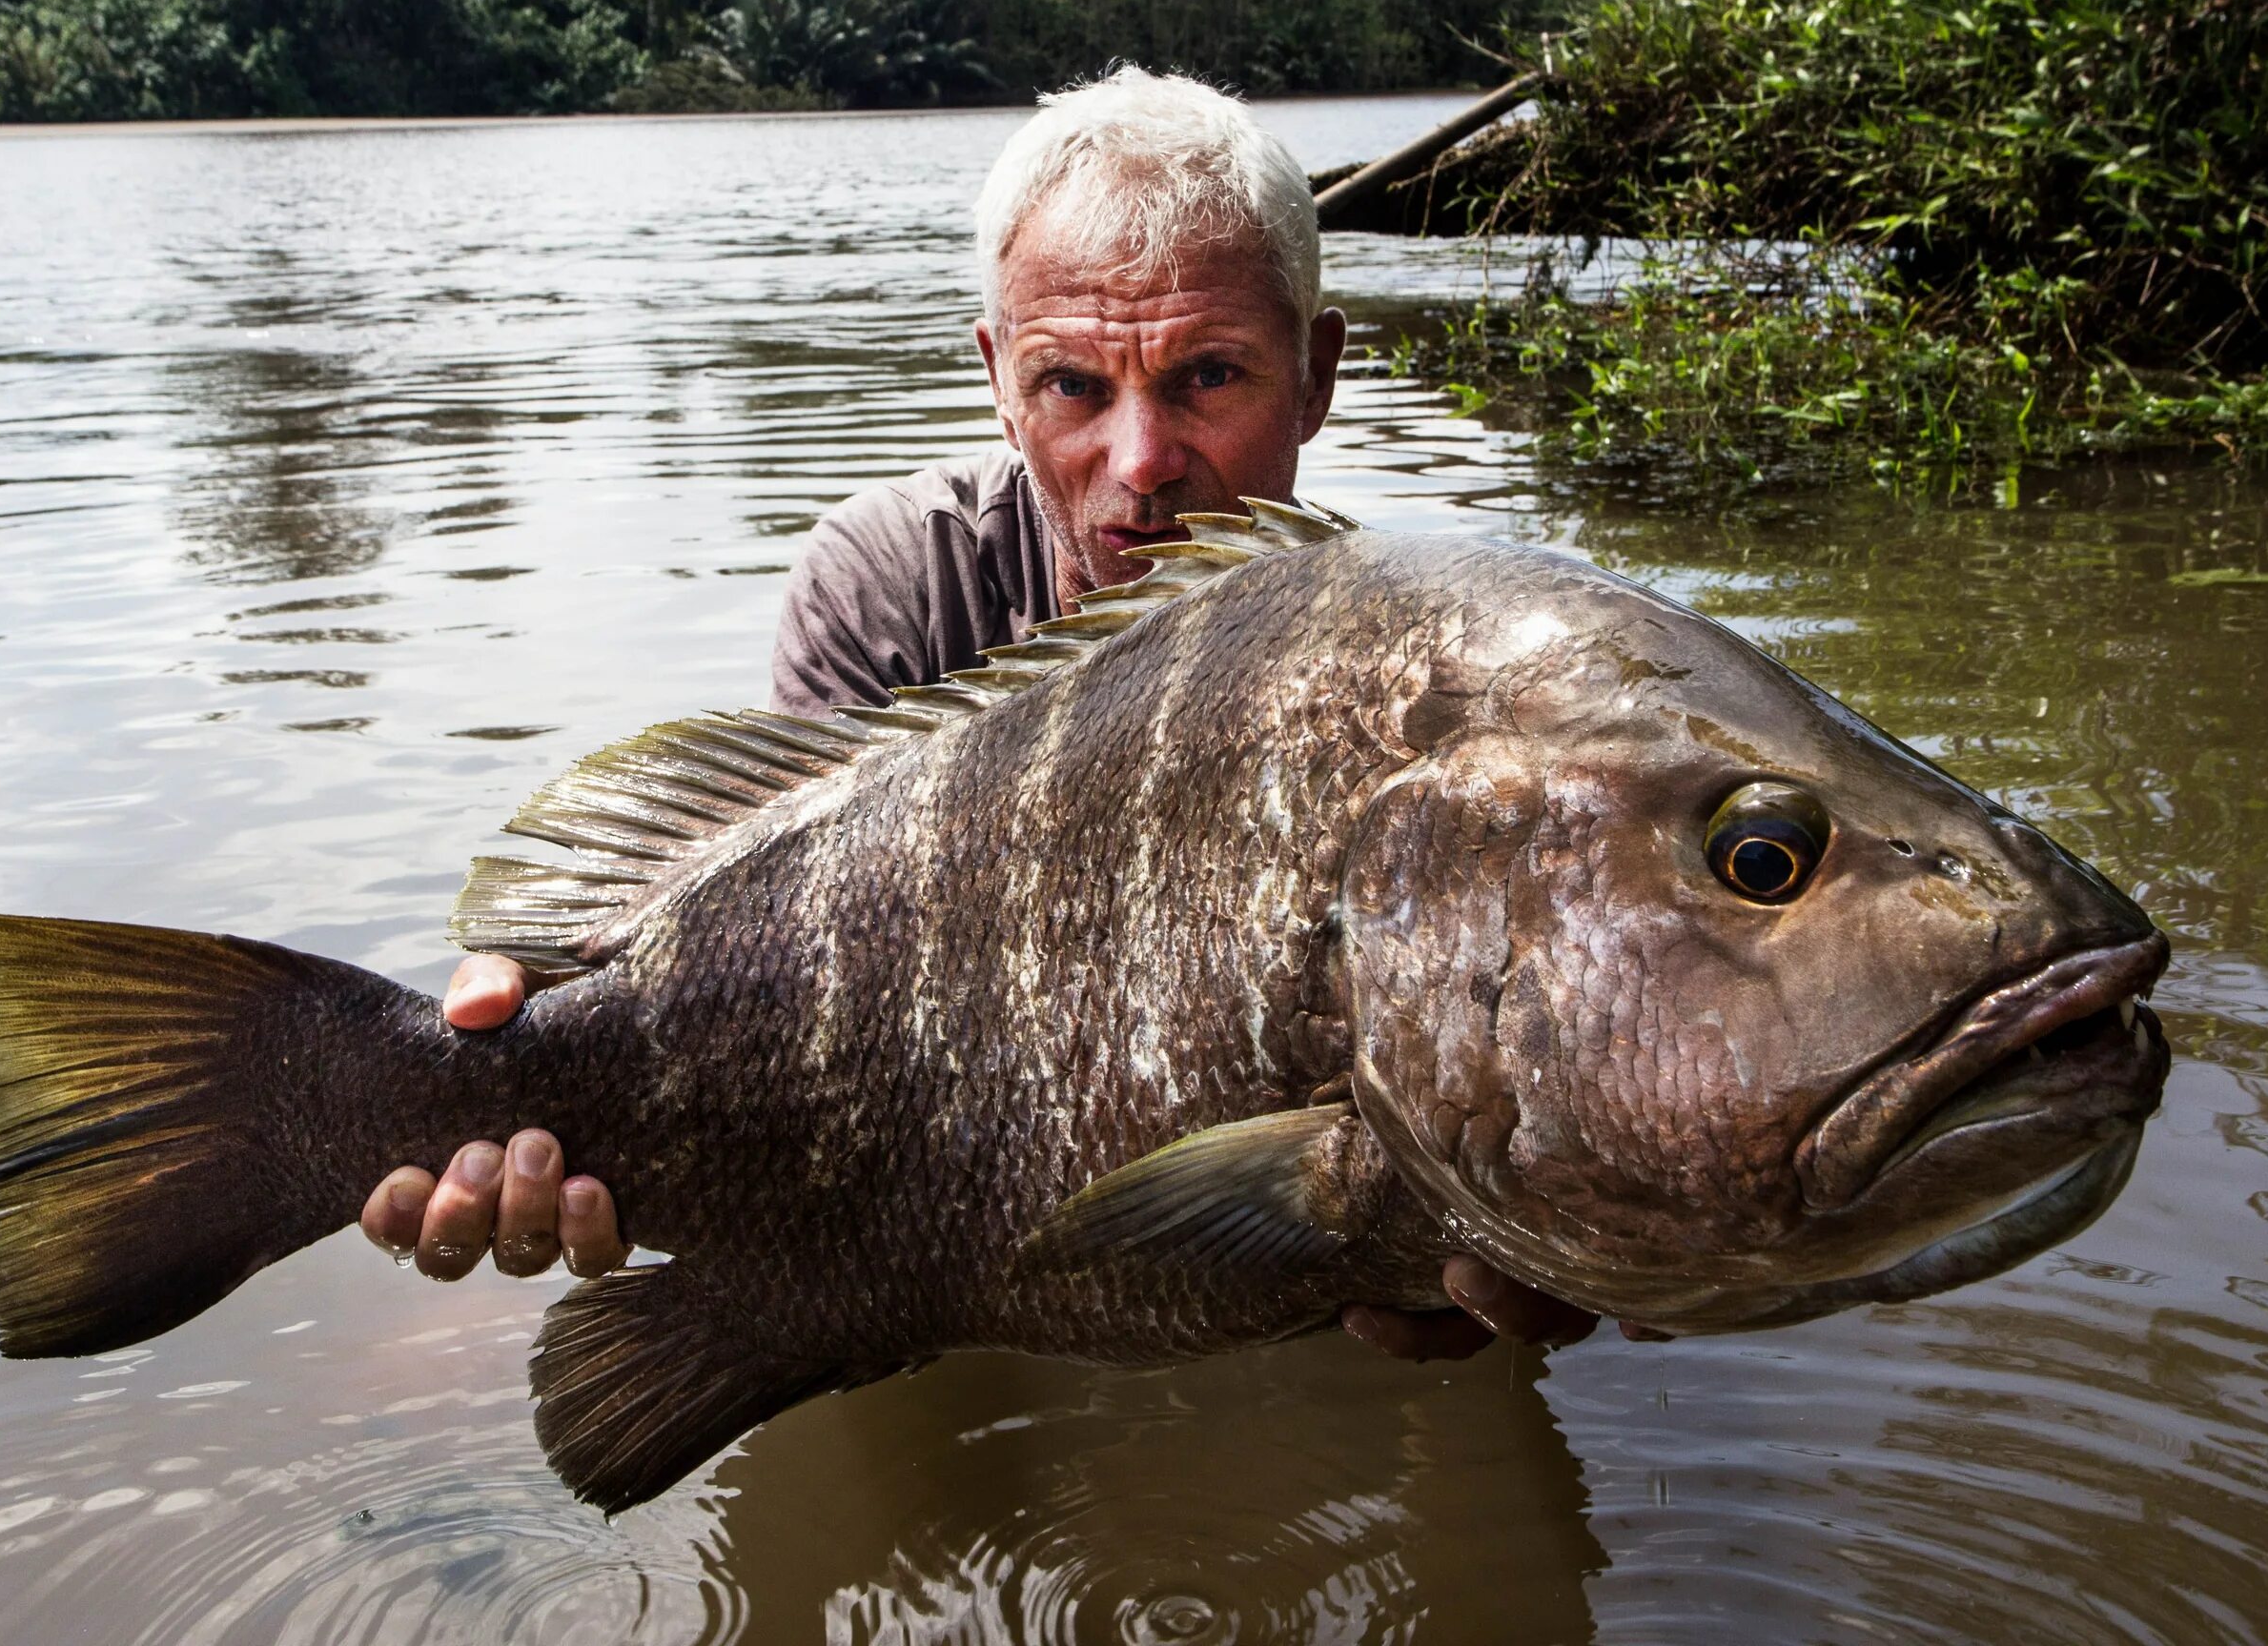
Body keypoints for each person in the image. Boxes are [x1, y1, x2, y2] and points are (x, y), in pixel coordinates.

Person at [358, 68, 1600, 1360]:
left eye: (1208, 377)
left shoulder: (1448, 688)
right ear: (998, 378)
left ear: (1317, 375)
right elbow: (769, 961)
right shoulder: (895, 586)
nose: (1141, 464)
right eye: (1073, 387)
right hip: (942, 1241)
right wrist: (527, 1026)